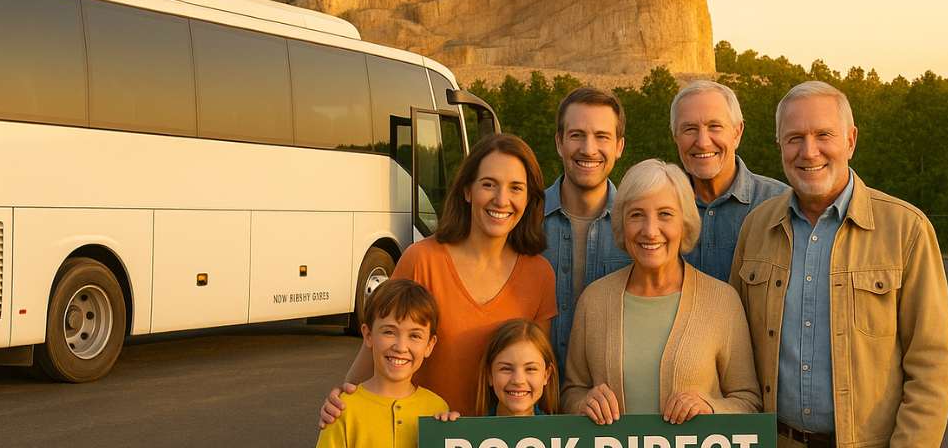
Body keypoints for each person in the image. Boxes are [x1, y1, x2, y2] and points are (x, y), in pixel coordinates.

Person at [730, 81, 948, 447]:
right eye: (794, 138)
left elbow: (931, 367)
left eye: (823, 135)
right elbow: (734, 350)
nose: (809, 151)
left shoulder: (906, 230)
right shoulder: (756, 227)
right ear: (780, 147)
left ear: (850, 140)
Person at [320, 133, 556, 422]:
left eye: (516, 188)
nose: (502, 199)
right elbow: (375, 351)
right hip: (421, 434)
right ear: (467, 190)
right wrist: (342, 403)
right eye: (488, 184)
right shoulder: (421, 260)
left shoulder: (540, 274)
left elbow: (536, 369)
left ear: (529, 197)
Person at [561, 159, 761, 424]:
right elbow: (570, 392)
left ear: (685, 222)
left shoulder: (722, 301)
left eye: (665, 214)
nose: (650, 230)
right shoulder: (594, 300)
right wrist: (582, 403)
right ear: (622, 223)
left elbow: (748, 402)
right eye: (636, 215)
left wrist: (711, 408)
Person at [543, 87, 633, 376]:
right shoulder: (522, 219)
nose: (588, 149)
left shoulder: (641, 230)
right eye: (576, 135)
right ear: (559, 143)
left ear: (619, 146)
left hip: (611, 405)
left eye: (602, 136)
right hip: (531, 402)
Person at [669, 80, 786, 280]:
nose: (703, 142)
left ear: (737, 132)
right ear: (675, 136)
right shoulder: (656, 207)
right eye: (689, 129)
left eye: (714, 126)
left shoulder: (780, 205)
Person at [315, 279, 448, 448]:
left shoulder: (437, 408)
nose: (401, 347)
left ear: (429, 345)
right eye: (389, 332)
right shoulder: (342, 409)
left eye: (415, 335)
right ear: (368, 335)